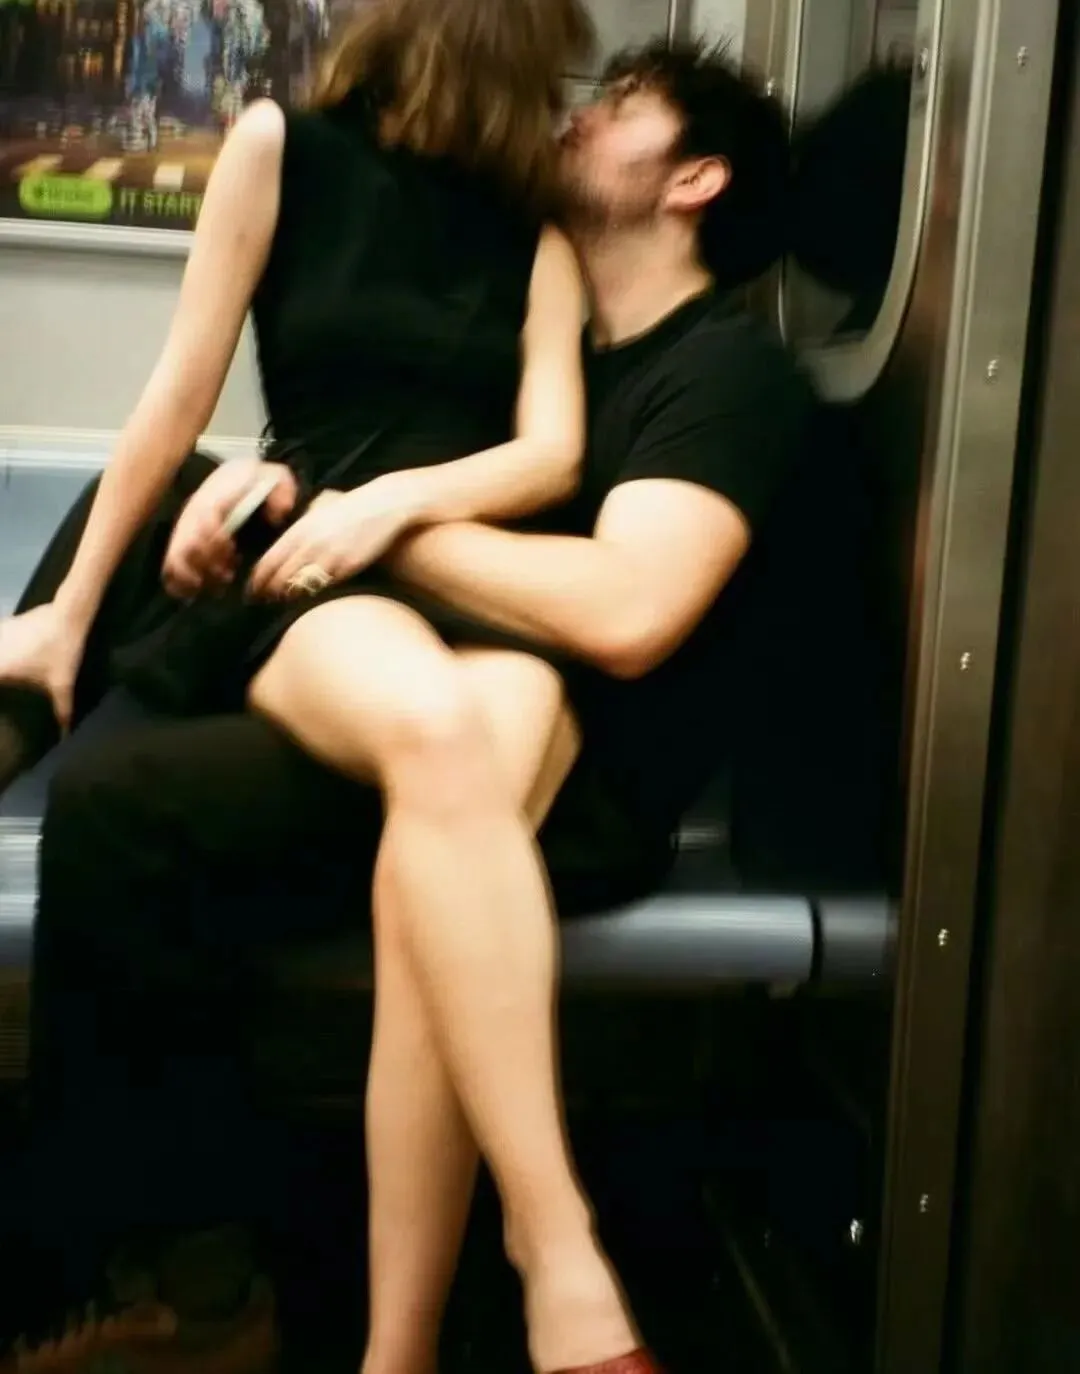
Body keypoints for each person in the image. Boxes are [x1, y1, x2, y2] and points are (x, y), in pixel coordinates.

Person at [0, 38, 806, 1374]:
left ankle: (254, 1282)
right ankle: (388, 1319)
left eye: (619, 106)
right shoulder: (570, 333)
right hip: (462, 691)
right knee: (159, 535)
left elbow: (625, 611)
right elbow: (426, 463)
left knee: (138, 804)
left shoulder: (722, 373)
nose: (576, 113)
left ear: (695, 180)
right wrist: (293, 494)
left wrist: (351, 511)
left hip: (583, 774)